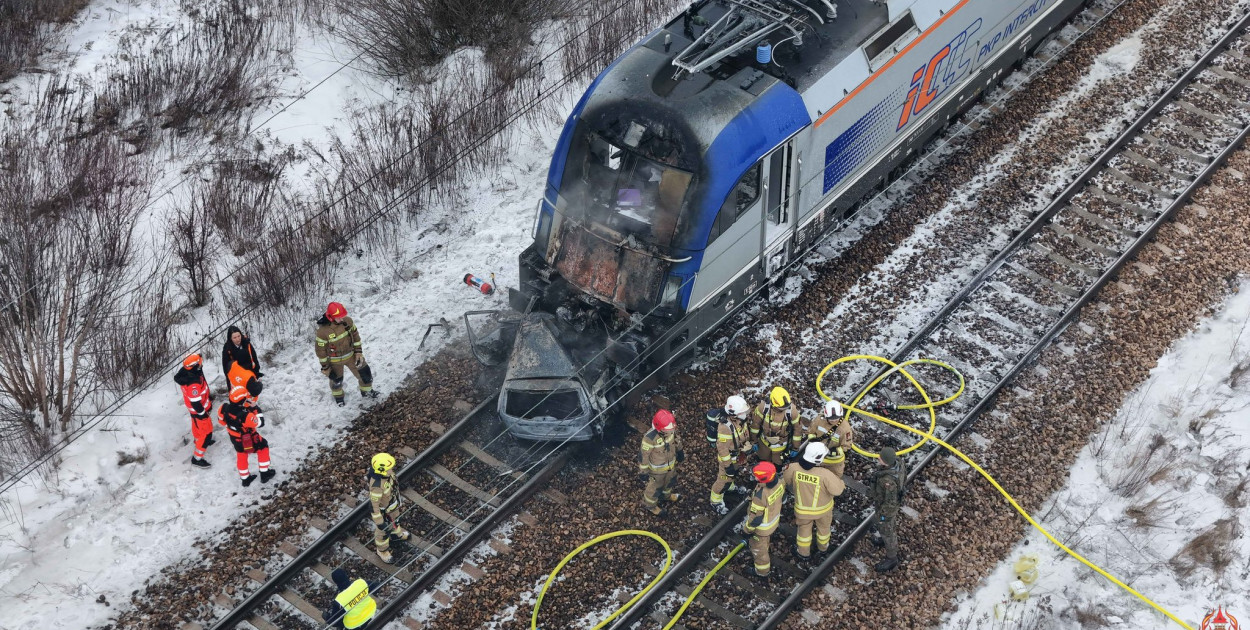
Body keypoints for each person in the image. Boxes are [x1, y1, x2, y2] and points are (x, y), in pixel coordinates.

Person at [783, 442, 845, 563]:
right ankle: (823, 548)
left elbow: (786, 479)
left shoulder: (793, 468)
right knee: (824, 530)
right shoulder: (826, 475)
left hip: (802, 511)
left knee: (803, 532)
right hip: (823, 510)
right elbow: (838, 490)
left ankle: (803, 553)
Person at [316, 302, 377, 407]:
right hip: (334, 361)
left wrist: (358, 352)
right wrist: (325, 367)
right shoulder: (323, 332)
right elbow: (320, 351)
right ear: (331, 317)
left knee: (365, 374)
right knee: (336, 381)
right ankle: (339, 398)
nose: (342, 319)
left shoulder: (347, 321)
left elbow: (355, 336)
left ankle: (367, 392)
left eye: (342, 316)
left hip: (351, 355)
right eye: (339, 318)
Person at [218, 386, 275, 486]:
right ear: (242, 400)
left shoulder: (223, 408)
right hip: (249, 439)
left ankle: (245, 479)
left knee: (241, 454)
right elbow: (260, 423)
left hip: (235, 439)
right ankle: (264, 474)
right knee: (263, 447)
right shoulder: (245, 416)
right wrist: (255, 408)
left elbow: (221, 422)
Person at [708, 395, 752, 514]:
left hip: (737, 456)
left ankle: (730, 487)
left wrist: (746, 446)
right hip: (728, 459)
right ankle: (715, 500)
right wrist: (728, 466)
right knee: (722, 481)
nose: (745, 414)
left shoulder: (741, 421)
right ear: (733, 414)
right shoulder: (724, 427)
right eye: (742, 412)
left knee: (732, 475)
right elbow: (722, 450)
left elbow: (744, 434)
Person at [742, 461, 784, 578]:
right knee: (765, 541)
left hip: (761, 529)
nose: (754, 477)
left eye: (756, 476)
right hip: (773, 521)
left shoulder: (760, 496)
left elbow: (756, 518)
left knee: (759, 551)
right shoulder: (779, 483)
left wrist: (746, 530)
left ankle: (762, 572)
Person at [638, 409, 684, 516]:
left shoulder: (670, 430)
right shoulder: (649, 439)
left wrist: (680, 450)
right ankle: (651, 506)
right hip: (657, 472)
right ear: (659, 428)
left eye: (672, 428)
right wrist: (643, 472)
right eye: (667, 429)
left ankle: (666, 496)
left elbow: (676, 439)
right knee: (654, 489)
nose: (671, 431)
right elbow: (643, 456)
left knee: (670, 482)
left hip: (670, 466)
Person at [174, 353, 215, 468]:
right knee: (207, 433)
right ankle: (197, 458)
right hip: (199, 411)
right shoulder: (193, 383)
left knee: (197, 427)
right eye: (199, 363)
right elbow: (196, 403)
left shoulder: (187, 371)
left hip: (195, 412)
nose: (201, 364)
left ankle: (198, 441)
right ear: (195, 366)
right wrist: (203, 414)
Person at [868, 448, 906, 572]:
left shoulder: (888, 481)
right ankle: (884, 541)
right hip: (886, 505)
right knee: (886, 529)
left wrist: (883, 515)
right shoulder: (898, 464)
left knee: (887, 531)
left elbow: (890, 502)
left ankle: (891, 557)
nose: (878, 458)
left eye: (881, 458)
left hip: (887, 510)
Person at [368, 453, 410, 564]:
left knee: (396, 520)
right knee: (383, 532)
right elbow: (374, 506)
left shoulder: (388, 475)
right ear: (382, 470)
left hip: (392, 506)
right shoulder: (377, 486)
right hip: (384, 512)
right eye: (389, 468)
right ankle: (382, 550)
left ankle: (396, 535)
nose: (392, 469)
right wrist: (380, 522)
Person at [750, 387, 802, 466]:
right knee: (762, 462)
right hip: (764, 444)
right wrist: (754, 441)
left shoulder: (792, 412)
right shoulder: (762, 408)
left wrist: (795, 447)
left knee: (778, 466)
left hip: (781, 447)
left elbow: (797, 430)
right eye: (781, 408)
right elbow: (755, 425)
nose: (784, 409)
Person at [806, 399, 854, 476]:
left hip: (834, 461)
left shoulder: (845, 428)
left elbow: (847, 446)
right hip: (817, 457)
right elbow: (811, 432)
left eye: (836, 418)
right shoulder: (819, 420)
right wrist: (812, 441)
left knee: (834, 479)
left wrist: (834, 451)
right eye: (831, 419)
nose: (834, 421)